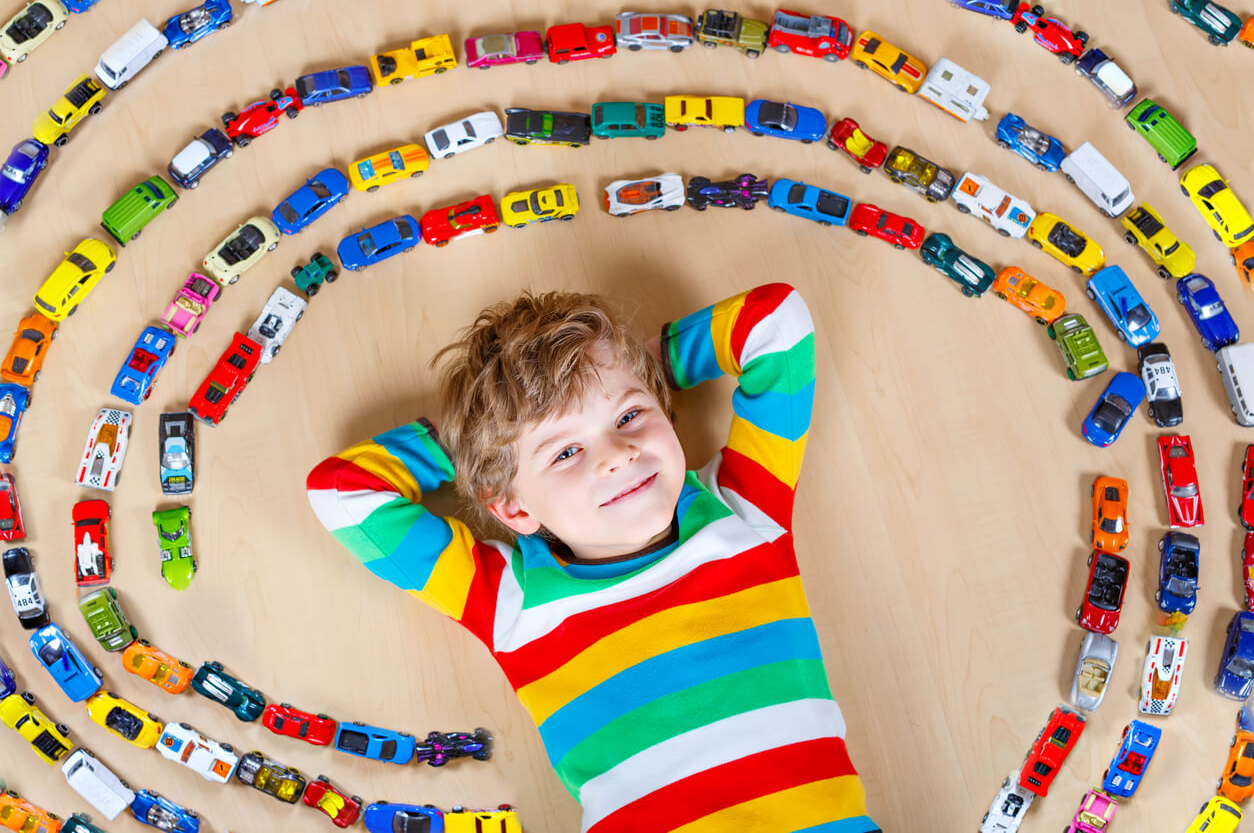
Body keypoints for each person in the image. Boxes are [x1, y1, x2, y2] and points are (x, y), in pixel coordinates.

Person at [306, 282, 880, 832]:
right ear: (511, 508)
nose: (618, 456)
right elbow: (342, 492)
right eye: (567, 452)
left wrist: (650, 369)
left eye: (629, 416)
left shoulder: (745, 509)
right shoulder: (511, 599)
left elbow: (773, 322)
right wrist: (479, 445)